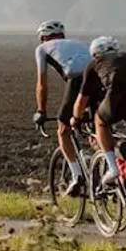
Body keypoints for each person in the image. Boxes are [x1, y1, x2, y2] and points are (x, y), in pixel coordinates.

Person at [74, 35, 126, 188]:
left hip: (118, 98)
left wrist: (75, 118)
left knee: (100, 121)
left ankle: (113, 168)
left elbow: (82, 100)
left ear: (95, 54)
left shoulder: (94, 64)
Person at [32, 19, 96, 196]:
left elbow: (42, 85)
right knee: (99, 128)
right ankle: (107, 168)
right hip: (100, 79)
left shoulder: (42, 49)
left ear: (43, 38)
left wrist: (41, 111)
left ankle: (77, 176)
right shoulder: (79, 43)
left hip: (77, 80)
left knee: (63, 130)